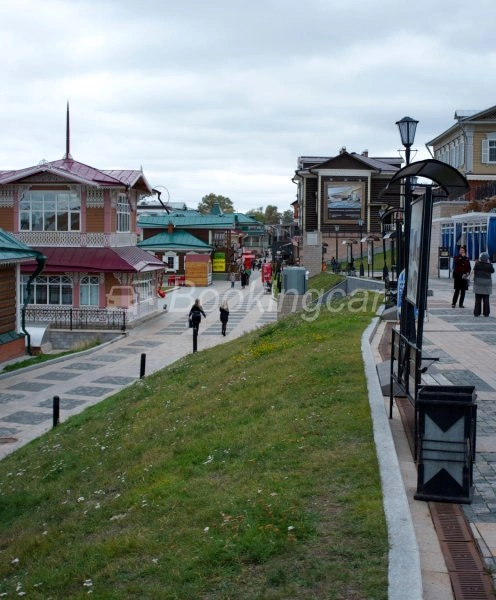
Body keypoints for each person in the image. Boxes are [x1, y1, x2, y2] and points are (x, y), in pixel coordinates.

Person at [473, 251, 495, 317]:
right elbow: (492, 271)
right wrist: (489, 263)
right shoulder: (489, 265)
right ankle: (486, 313)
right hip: (487, 284)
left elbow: (474, 271)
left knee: (478, 299)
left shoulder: (477, 264)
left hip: (478, 283)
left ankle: (477, 312)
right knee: (486, 299)